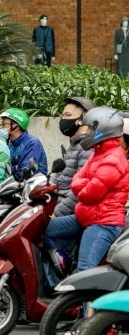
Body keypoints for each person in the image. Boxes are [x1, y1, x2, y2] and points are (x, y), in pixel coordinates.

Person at [43, 107, 129, 287]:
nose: (86, 132)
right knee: (43, 230)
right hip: (85, 216)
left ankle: (87, 305)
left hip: (103, 223)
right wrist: (82, 184)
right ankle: (58, 279)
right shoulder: (99, 153)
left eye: (89, 128)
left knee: (85, 270)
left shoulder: (114, 158)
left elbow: (89, 194)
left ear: (101, 130)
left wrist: (81, 186)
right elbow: (78, 179)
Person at [51, 97, 96, 218]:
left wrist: (55, 214)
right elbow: (58, 179)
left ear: (84, 119)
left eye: (68, 115)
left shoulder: (87, 148)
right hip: (55, 205)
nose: (63, 119)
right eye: (62, 115)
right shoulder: (75, 145)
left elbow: (79, 191)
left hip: (68, 214)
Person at [0, 108, 48, 180]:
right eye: (2, 124)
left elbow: (24, 173)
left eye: (5, 124)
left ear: (16, 127)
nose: (2, 128)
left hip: (32, 185)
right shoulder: (10, 144)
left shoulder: (32, 144)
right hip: (15, 184)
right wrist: (15, 168)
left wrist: (11, 171)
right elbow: (3, 169)